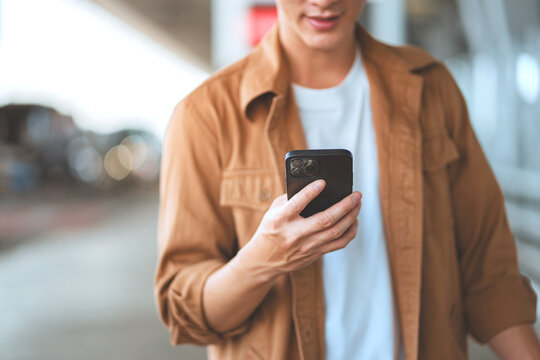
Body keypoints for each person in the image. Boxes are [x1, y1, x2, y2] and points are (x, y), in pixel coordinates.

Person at [154, 0, 540, 359]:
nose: (323, 1)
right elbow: (183, 308)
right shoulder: (205, 116)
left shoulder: (431, 88)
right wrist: (261, 262)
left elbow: (490, 272)